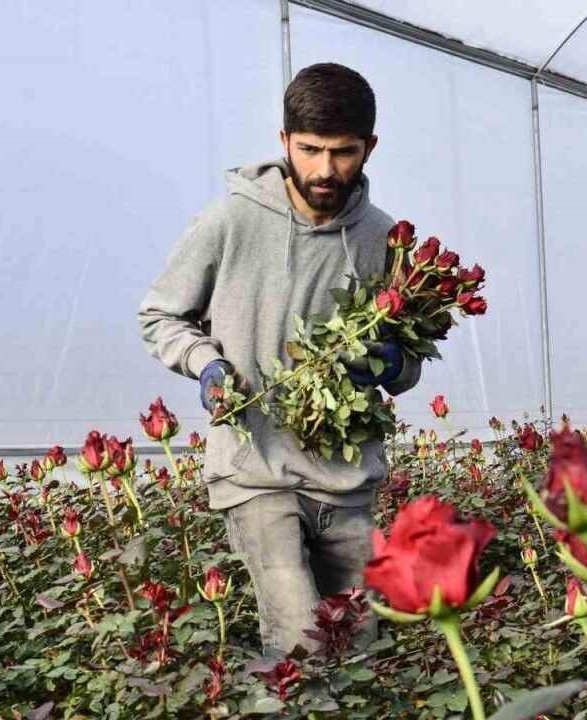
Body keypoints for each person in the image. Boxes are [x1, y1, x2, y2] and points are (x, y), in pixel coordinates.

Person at [137, 62, 423, 655]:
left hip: (346, 480)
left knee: (361, 646)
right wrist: (206, 363)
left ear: (369, 147)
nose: (325, 170)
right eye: (310, 149)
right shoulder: (230, 220)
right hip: (256, 469)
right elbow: (160, 315)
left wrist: (391, 363)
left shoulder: (383, 238)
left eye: (343, 152)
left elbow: (411, 362)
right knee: (301, 640)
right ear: (284, 140)